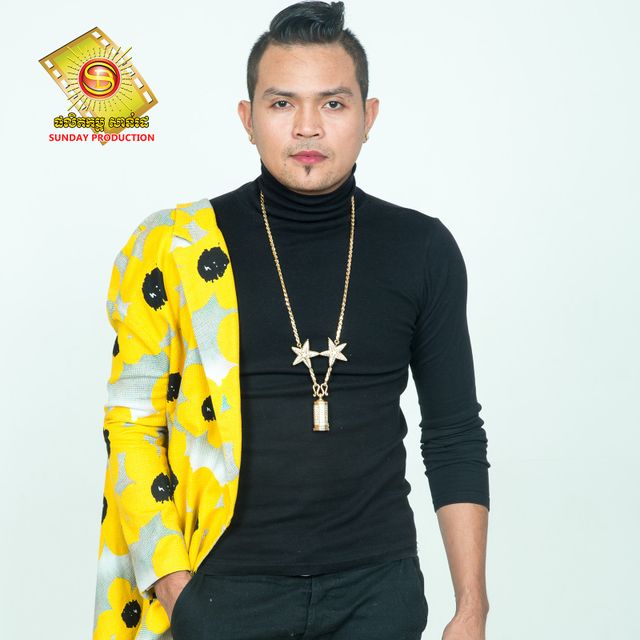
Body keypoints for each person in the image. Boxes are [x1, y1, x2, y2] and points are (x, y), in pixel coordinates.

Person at [92, 2, 491, 639]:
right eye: (282, 103)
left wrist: (471, 608)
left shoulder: (422, 248)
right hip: (221, 590)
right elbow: (132, 423)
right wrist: (175, 587)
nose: (308, 126)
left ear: (369, 116)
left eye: (333, 103)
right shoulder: (174, 247)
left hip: (378, 592)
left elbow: (454, 433)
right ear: (247, 119)